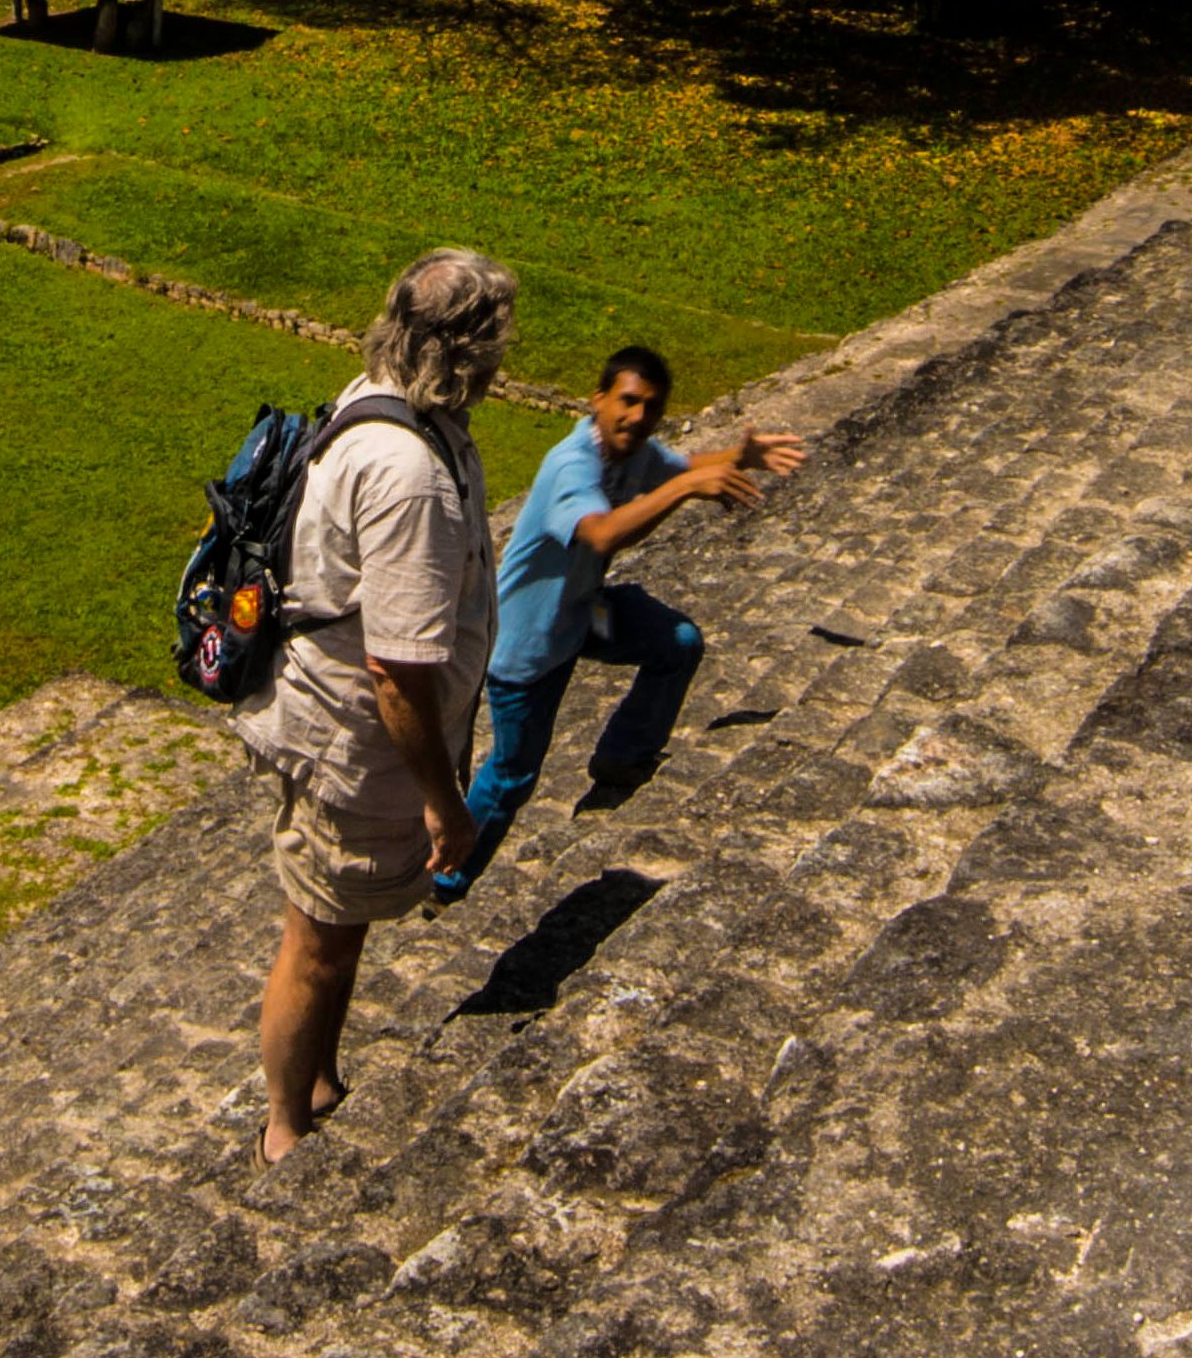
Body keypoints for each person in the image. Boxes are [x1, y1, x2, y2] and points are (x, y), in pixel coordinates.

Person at [238, 245, 513, 1162]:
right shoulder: (409, 473)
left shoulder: (382, 401)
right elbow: (397, 670)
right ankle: (284, 1127)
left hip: (344, 723)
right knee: (316, 936)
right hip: (352, 741)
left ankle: (317, 1081)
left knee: (337, 926)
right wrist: (445, 801)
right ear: (470, 350)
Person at [451, 344, 804, 892]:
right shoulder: (572, 464)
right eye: (629, 402)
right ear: (598, 399)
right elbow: (602, 532)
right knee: (513, 774)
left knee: (677, 643)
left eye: (651, 409)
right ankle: (447, 879)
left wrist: (742, 456)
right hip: (530, 643)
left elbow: (684, 465)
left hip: (583, 616)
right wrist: (685, 491)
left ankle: (621, 758)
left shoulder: (632, 451)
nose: (638, 418)